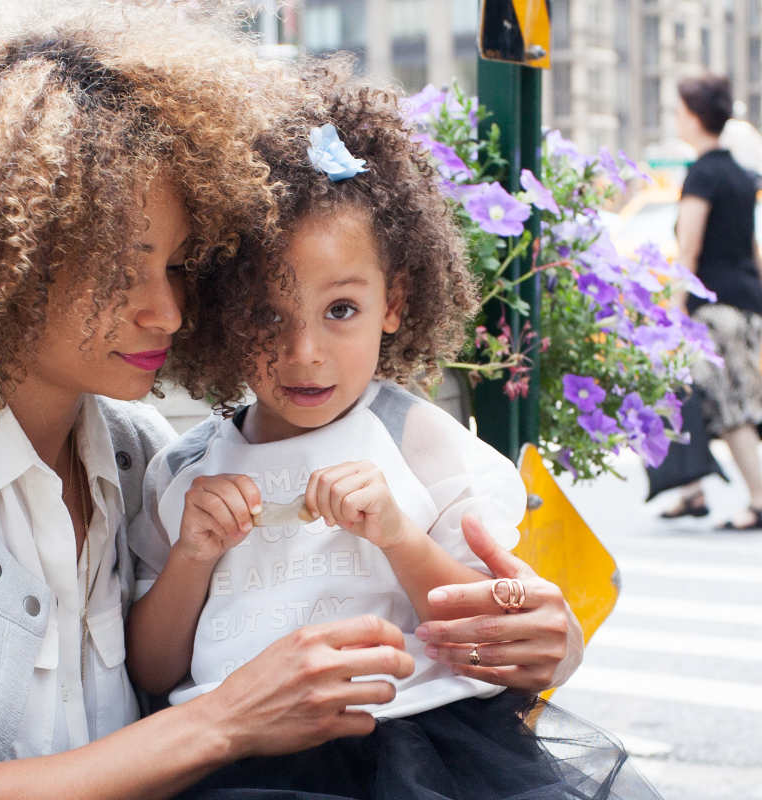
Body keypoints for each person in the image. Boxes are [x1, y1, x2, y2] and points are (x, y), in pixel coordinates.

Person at [0, 3, 589, 798]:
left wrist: (551, 643)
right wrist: (226, 722)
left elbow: (461, 630)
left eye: (180, 266)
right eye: (122, 269)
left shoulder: (138, 453)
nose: (170, 311)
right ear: (4, 262)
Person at [128, 74, 660, 799]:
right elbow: (154, 672)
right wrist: (192, 555)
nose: (304, 351)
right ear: (220, 315)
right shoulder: (187, 468)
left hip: (418, 753)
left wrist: (398, 535)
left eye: (339, 308)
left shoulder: (420, 445)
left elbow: (486, 637)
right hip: (233, 763)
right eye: (265, 316)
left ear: (395, 303)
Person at [664, 73, 762, 530]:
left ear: (696, 116)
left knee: (728, 404)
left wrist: (674, 307)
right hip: (743, 304)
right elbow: (752, 247)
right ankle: (691, 490)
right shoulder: (741, 176)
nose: (677, 118)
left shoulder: (702, 174)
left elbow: (689, 248)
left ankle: (759, 499)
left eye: (681, 110)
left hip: (714, 309)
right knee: (685, 391)